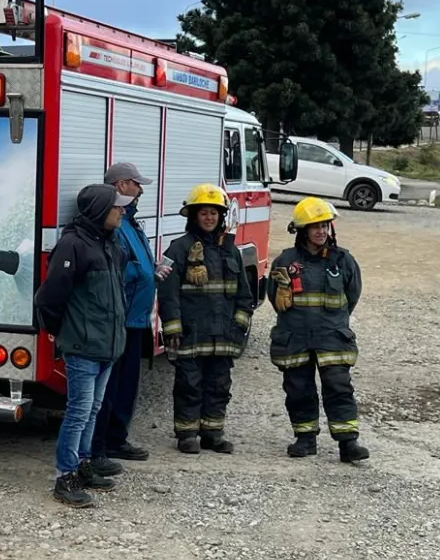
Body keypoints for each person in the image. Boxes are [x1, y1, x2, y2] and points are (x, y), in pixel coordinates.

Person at [35, 183, 133, 507]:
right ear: (98, 211)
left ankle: (84, 463)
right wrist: (58, 331)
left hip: (107, 345)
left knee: (92, 408)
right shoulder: (73, 246)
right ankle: (65, 476)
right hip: (84, 346)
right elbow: (50, 297)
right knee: (78, 411)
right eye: (116, 207)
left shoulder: (108, 242)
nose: (122, 211)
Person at [266, 196, 369, 463]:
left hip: (332, 337)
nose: (321, 231)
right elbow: (274, 298)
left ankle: (348, 443)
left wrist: (333, 321)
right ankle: (305, 438)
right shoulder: (285, 261)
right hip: (295, 337)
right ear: (303, 231)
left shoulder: (343, 260)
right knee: (298, 388)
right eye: (315, 227)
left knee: (339, 387)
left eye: (325, 225)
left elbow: (352, 296)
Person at [157, 183, 252, 455]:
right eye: (204, 213)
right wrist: (172, 327)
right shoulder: (178, 248)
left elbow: (244, 295)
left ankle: (213, 433)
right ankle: (186, 434)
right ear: (193, 216)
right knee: (189, 383)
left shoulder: (230, 251)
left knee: (219, 385)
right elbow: (168, 292)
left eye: (214, 213)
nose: (209, 218)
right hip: (191, 332)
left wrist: (240, 325)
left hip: (223, 334)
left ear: (220, 217)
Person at [90, 162, 168, 475]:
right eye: (137, 184)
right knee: (109, 387)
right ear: (121, 185)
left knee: (127, 384)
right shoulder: (115, 226)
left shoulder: (129, 222)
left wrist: (154, 271)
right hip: (121, 319)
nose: (141, 190)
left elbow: (136, 262)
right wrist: (144, 272)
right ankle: (102, 445)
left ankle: (117, 438)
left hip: (135, 318)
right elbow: (118, 269)